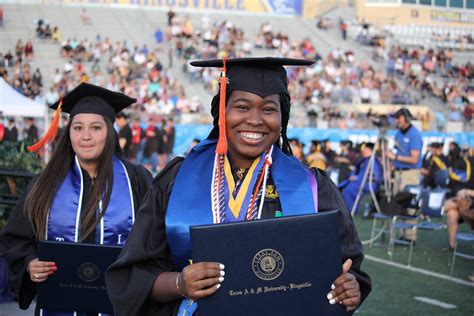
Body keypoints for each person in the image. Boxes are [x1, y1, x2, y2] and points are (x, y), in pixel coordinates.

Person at [106, 57, 371, 315]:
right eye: (242, 107)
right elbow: (133, 276)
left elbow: (350, 271)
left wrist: (350, 289)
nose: (255, 120)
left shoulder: (313, 186)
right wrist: (180, 284)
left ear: (283, 118)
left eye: (268, 109)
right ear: (221, 112)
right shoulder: (176, 180)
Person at [0, 82, 152, 315]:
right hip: (59, 305)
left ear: (110, 133)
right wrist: (30, 263)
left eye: (96, 128)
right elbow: (16, 240)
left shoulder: (136, 180)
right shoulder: (46, 184)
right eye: (78, 128)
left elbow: (155, 242)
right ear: (68, 133)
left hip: (120, 306)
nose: (86, 137)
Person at [385, 108, 422, 242]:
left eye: (398, 118)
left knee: (410, 205)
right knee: (399, 204)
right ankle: (403, 233)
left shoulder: (414, 134)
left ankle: (411, 236)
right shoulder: (398, 134)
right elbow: (396, 156)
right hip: (399, 173)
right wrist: (390, 168)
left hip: (410, 174)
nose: (396, 121)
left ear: (406, 118)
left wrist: (394, 157)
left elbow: (414, 159)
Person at [339, 142, 382, 214]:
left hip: (368, 184)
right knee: (341, 186)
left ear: (368, 149)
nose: (362, 151)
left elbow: (374, 177)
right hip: (360, 182)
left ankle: (349, 210)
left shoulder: (373, 161)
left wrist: (356, 178)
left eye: (364, 149)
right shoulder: (364, 160)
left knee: (349, 189)